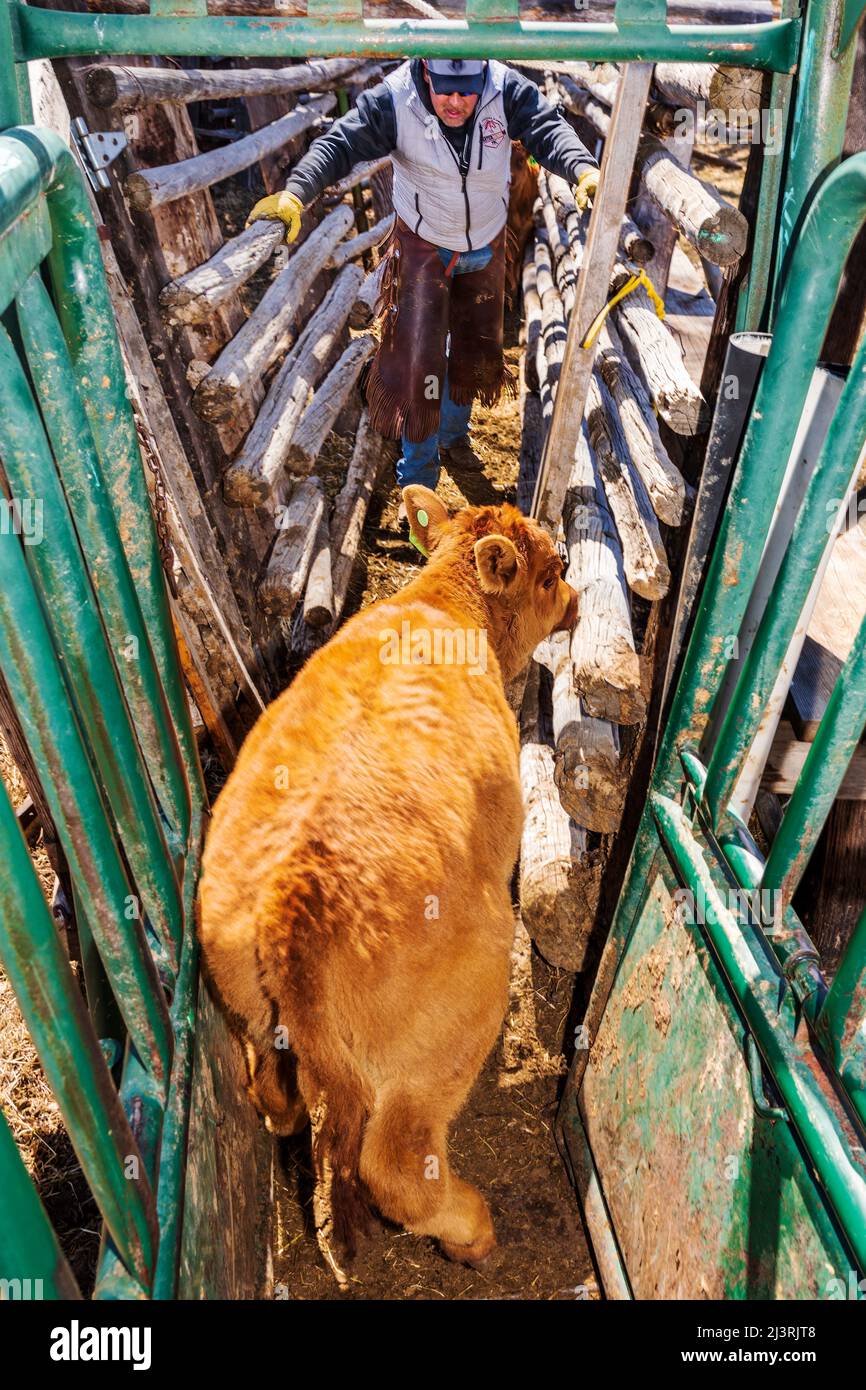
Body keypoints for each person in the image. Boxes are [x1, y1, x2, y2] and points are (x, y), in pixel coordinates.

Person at [248, 57, 599, 526]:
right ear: (427, 75)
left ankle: (454, 438)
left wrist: (582, 168)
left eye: (467, 89)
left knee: (476, 352)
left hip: (486, 244)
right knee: (422, 365)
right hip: (424, 247)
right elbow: (339, 144)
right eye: (446, 89)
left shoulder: (504, 88)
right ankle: (417, 487)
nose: (456, 101)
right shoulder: (394, 101)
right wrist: (295, 193)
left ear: (482, 79)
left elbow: (545, 127)